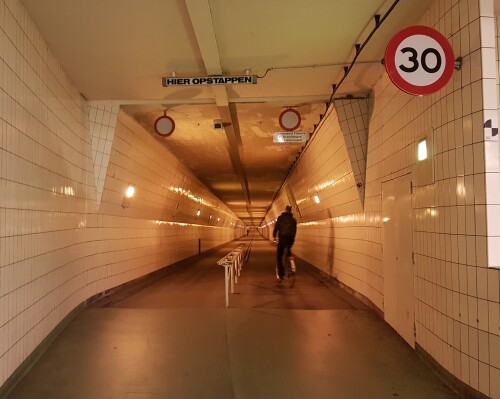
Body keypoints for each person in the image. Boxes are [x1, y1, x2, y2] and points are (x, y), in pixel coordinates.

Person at [272, 205, 297, 282]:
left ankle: (281, 274)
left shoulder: (280, 218)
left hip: (282, 240)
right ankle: (291, 262)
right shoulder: (293, 220)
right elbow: (295, 230)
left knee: (279, 257)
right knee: (288, 250)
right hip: (290, 240)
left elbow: (276, 228)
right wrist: (292, 239)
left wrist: (274, 236)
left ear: (285, 210)